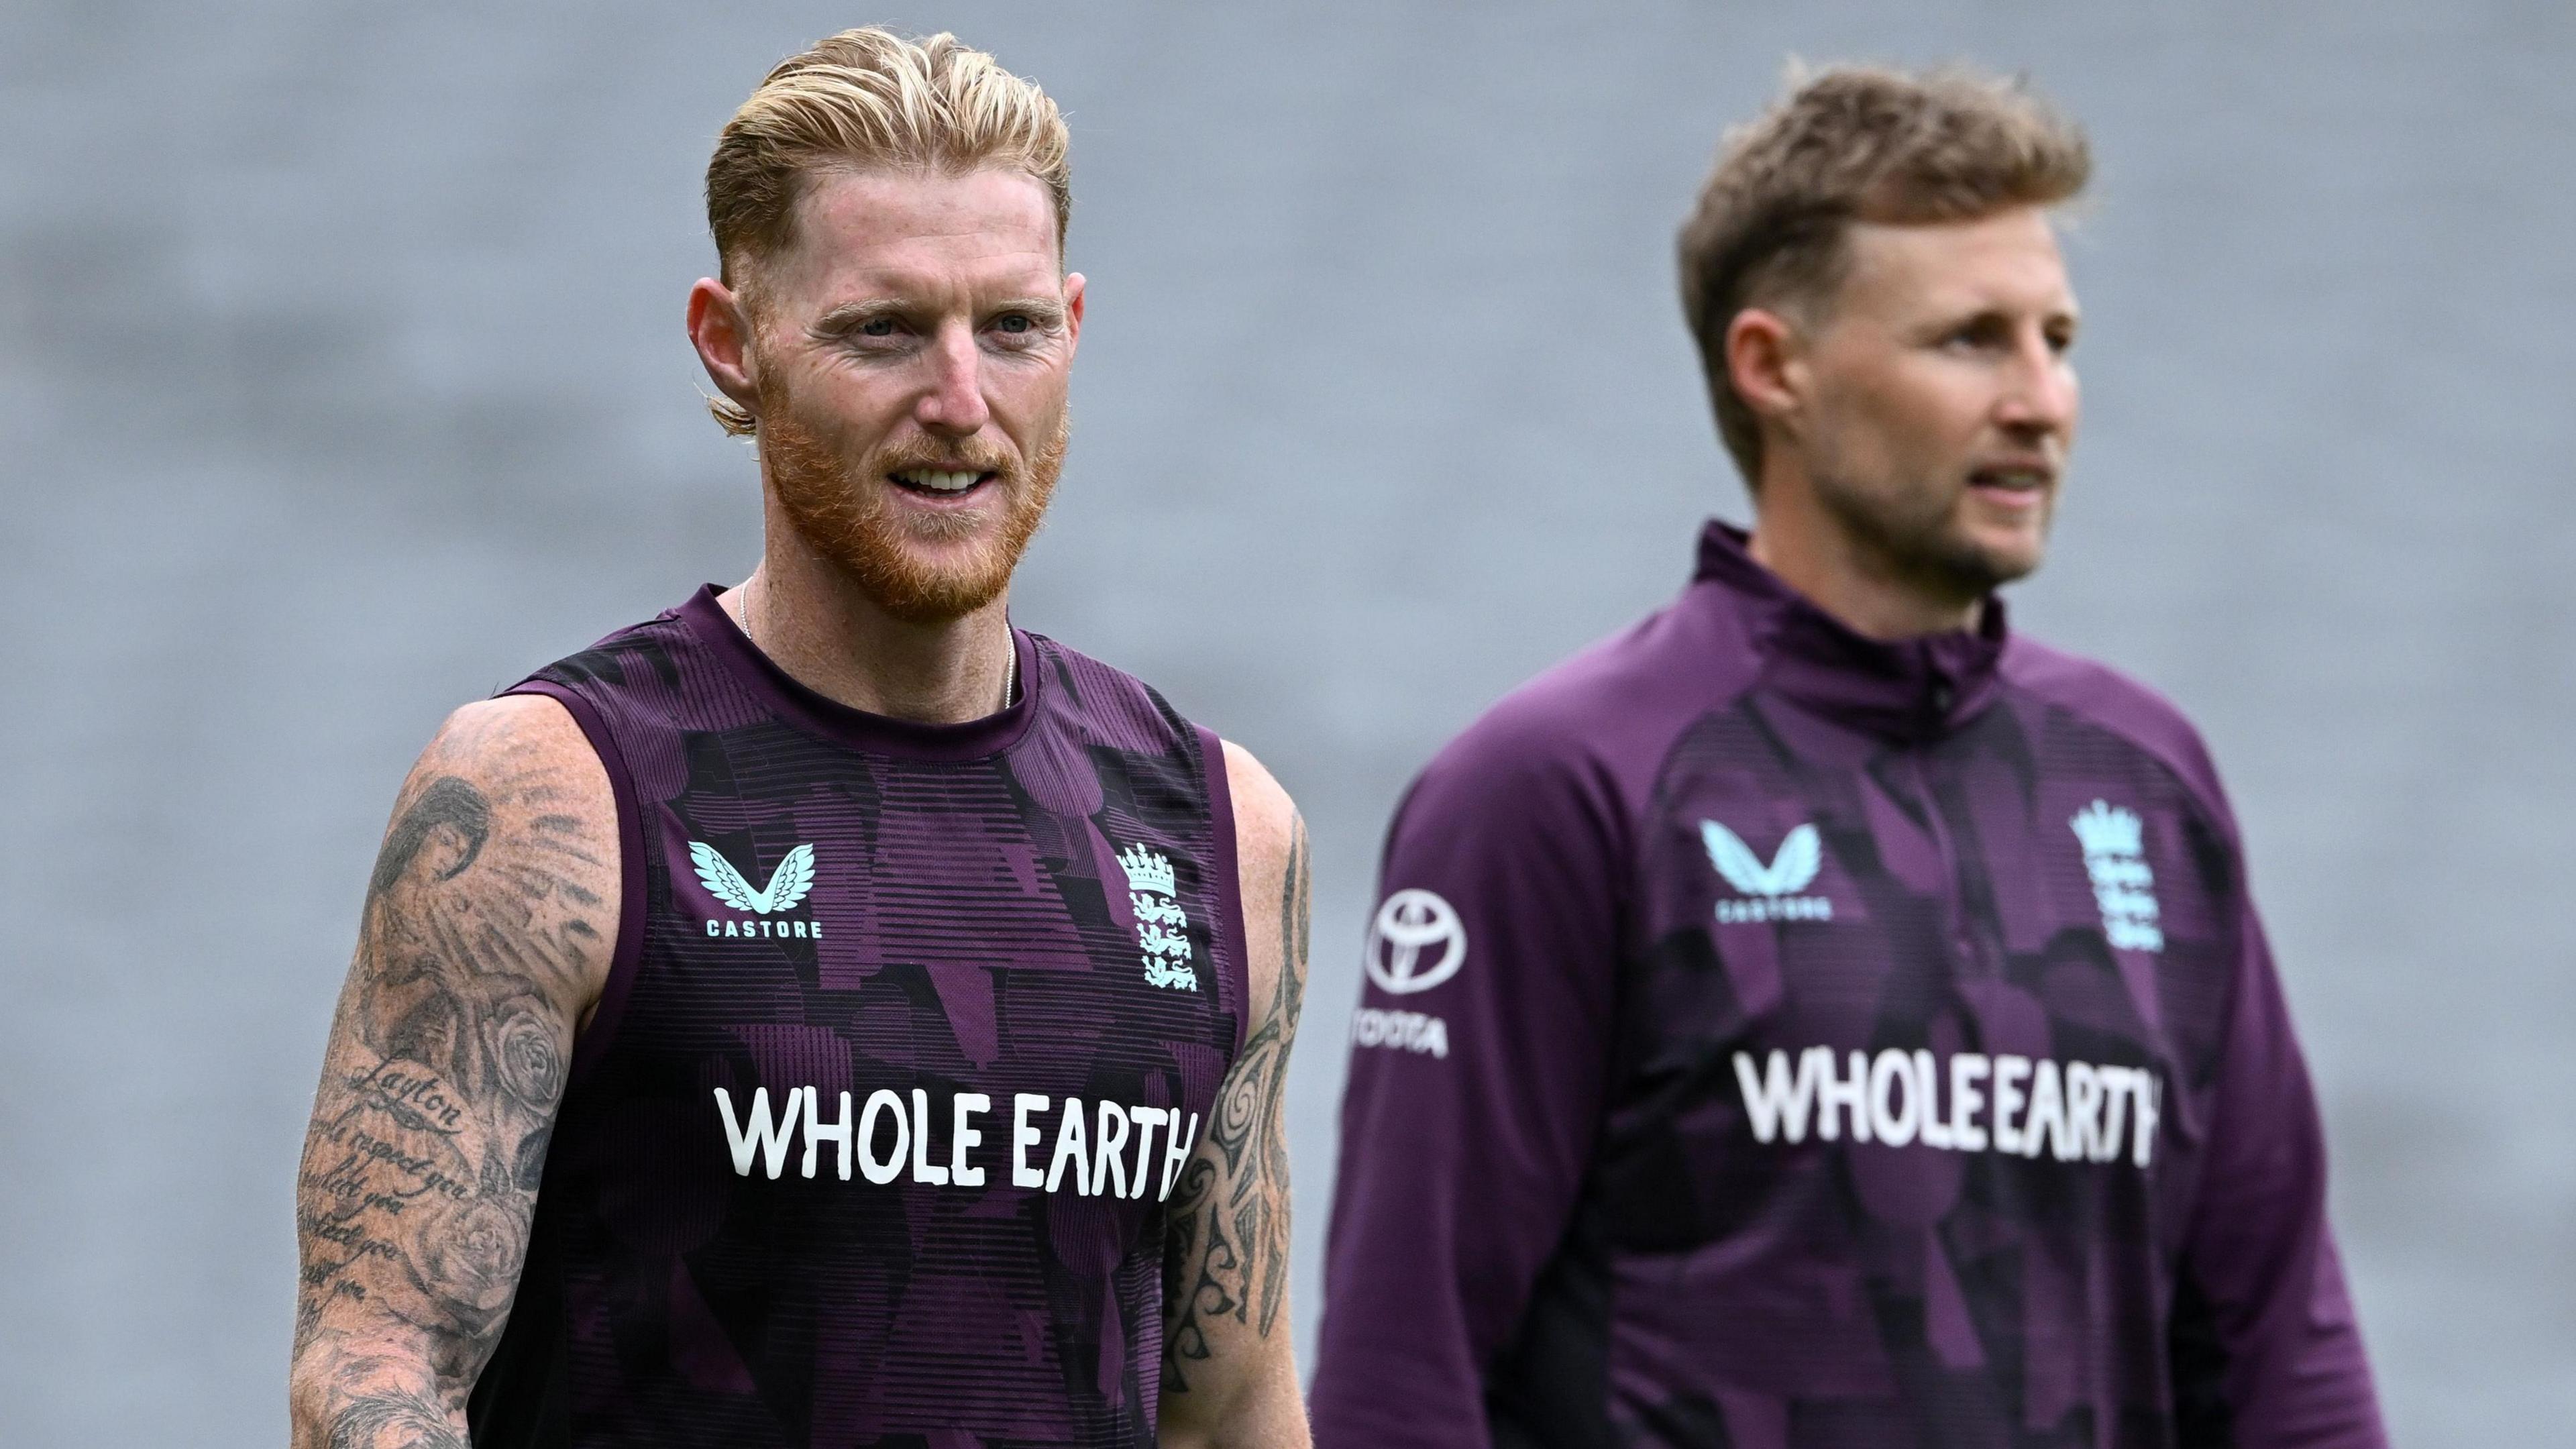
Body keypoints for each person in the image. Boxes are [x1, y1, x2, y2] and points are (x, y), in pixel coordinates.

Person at [1309, 64, 2383, 1448]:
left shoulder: (2145, 784)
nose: (2043, 400)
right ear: (1775, 369)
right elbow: (1403, 1374)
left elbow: (2283, 1354)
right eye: (1971, 341)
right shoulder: (1557, 789)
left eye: (2058, 338)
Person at [288, 30, 1311, 1449]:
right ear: (733, 338)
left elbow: (1229, 1409)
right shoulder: (546, 801)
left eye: (1011, 327)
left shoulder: (1224, 832)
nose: (962, 401)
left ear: (1074, 324)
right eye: (883, 329)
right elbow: (376, 1378)